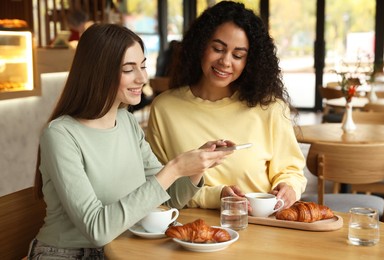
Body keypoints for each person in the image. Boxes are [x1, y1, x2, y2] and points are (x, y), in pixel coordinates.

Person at [28, 24, 232, 259]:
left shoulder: (126, 121)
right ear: (99, 72)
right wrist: (173, 168)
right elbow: (97, 229)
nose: (142, 77)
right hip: (67, 253)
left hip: (123, 248)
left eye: (143, 66)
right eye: (128, 69)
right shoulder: (60, 135)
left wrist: (194, 168)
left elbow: (170, 199)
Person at [146, 1, 307, 211]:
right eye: (218, 49)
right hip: (188, 231)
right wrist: (216, 195)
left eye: (238, 55)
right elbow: (157, 187)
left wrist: (289, 187)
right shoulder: (164, 109)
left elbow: (291, 170)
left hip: (259, 228)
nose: (225, 61)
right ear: (201, 46)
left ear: (250, 61)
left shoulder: (270, 108)